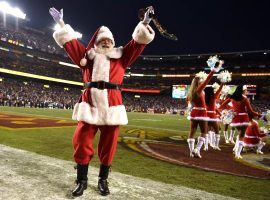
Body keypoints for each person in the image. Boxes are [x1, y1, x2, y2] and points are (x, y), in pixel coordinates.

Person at [49, 6, 155, 197]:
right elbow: (71, 43)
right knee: (81, 141)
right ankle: (81, 180)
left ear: (113, 43)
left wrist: (145, 22)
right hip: (89, 103)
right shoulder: (87, 58)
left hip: (112, 105)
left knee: (109, 144)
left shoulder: (122, 57)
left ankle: (103, 180)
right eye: (103, 40)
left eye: (109, 40)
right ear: (97, 43)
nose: (106, 42)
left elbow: (137, 42)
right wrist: (61, 24)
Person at [186, 56, 223, 158]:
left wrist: (191, 106)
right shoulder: (199, 90)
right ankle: (197, 149)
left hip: (194, 113)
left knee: (192, 132)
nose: (203, 81)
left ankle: (191, 152)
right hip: (202, 113)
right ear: (199, 82)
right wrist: (213, 71)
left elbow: (188, 101)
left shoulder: (191, 92)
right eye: (201, 80)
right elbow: (208, 80)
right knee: (204, 133)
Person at [220, 85, 261, 159]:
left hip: (235, 119)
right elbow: (250, 111)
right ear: (243, 90)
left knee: (240, 135)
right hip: (244, 118)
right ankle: (237, 154)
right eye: (245, 90)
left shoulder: (232, 97)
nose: (246, 91)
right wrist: (258, 114)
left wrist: (231, 110)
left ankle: (235, 149)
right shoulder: (245, 98)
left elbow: (222, 105)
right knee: (242, 136)